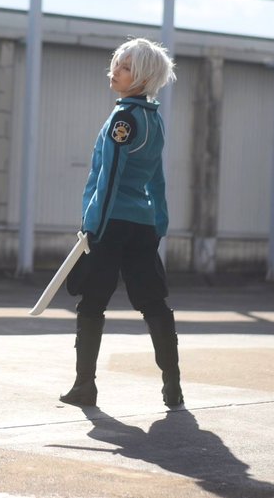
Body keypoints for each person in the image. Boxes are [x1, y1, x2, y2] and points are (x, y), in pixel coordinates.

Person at [60, 37, 183, 410]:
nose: (115, 71)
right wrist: (160, 221)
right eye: (116, 63)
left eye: (126, 67)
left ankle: (84, 386)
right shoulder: (154, 120)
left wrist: (92, 224)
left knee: (92, 302)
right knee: (154, 302)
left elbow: (109, 176)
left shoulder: (123, 119)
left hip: (110, 223)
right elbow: (156, 177)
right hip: (142, 225)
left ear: (143, 77)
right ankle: (173, 386)